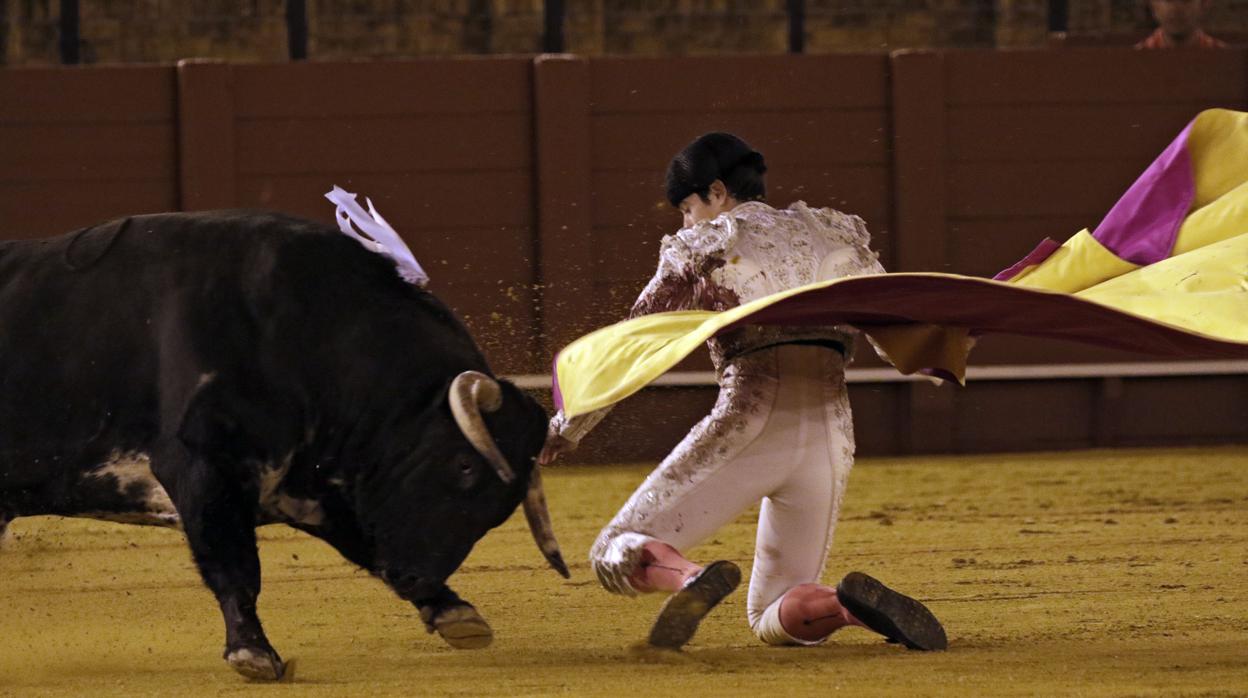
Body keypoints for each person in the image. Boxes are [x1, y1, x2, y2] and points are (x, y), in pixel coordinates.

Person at [540, 133, 947, 651]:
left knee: (611, 553)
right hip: (833, 435)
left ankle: (689, 579)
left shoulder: (704, 244)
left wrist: (566, 429)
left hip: (751, 418)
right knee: (774, 610)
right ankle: (845, 607)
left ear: (715, 191)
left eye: (688, 208)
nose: (685, 223)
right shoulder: (833, 233)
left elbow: (634, 345)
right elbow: (904, 339)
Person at [1136, 0, 1227, 48]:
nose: (1176, 9)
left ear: (1204, 3)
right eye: (1168, 0)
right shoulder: (1135, 60)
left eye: (1186, 0)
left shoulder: (1227, 61)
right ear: (1152, 4)